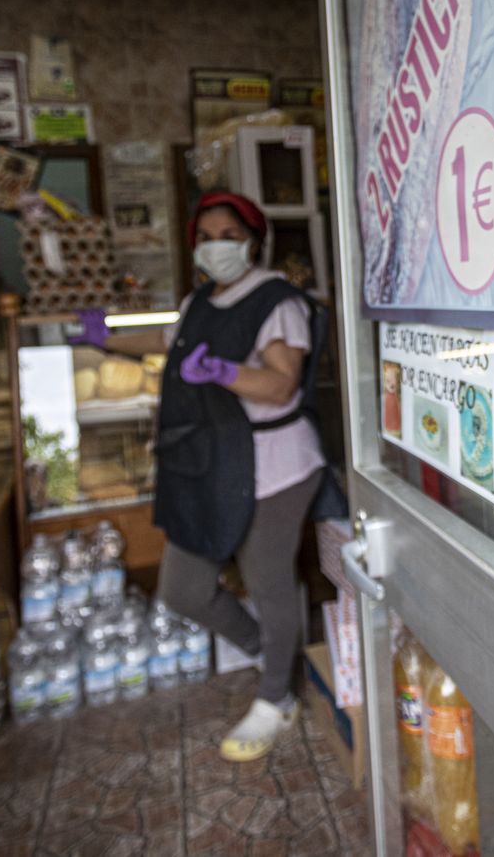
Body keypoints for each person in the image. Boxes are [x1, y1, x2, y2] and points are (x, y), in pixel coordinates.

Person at [74, 191, 326, 761]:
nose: (218, 245)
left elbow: (282, 383)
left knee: (268, 579)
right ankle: (269, 647)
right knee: (183, 588)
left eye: (228, 234)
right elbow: (167, 341)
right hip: (211, 463)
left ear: (252, 240)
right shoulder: (199, 302)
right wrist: (105, 337)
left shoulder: (278, 302)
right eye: (207, 235)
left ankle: (276, 698)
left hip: (275, 464)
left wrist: (223, 370)